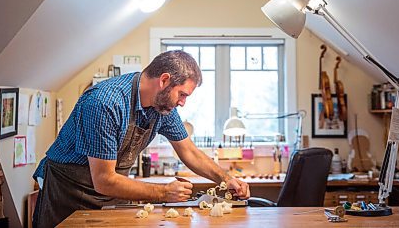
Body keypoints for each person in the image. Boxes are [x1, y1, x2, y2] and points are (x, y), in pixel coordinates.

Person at [32, 50, 250, 227]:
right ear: (164, 80)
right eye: (182, 94)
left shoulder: (163, 107)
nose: (183, 102)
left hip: (113, 190)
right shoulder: (105, 103)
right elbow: (103, 179)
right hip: (69, 189)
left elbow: (189, 151)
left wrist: (225, 179)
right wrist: (164, 192)